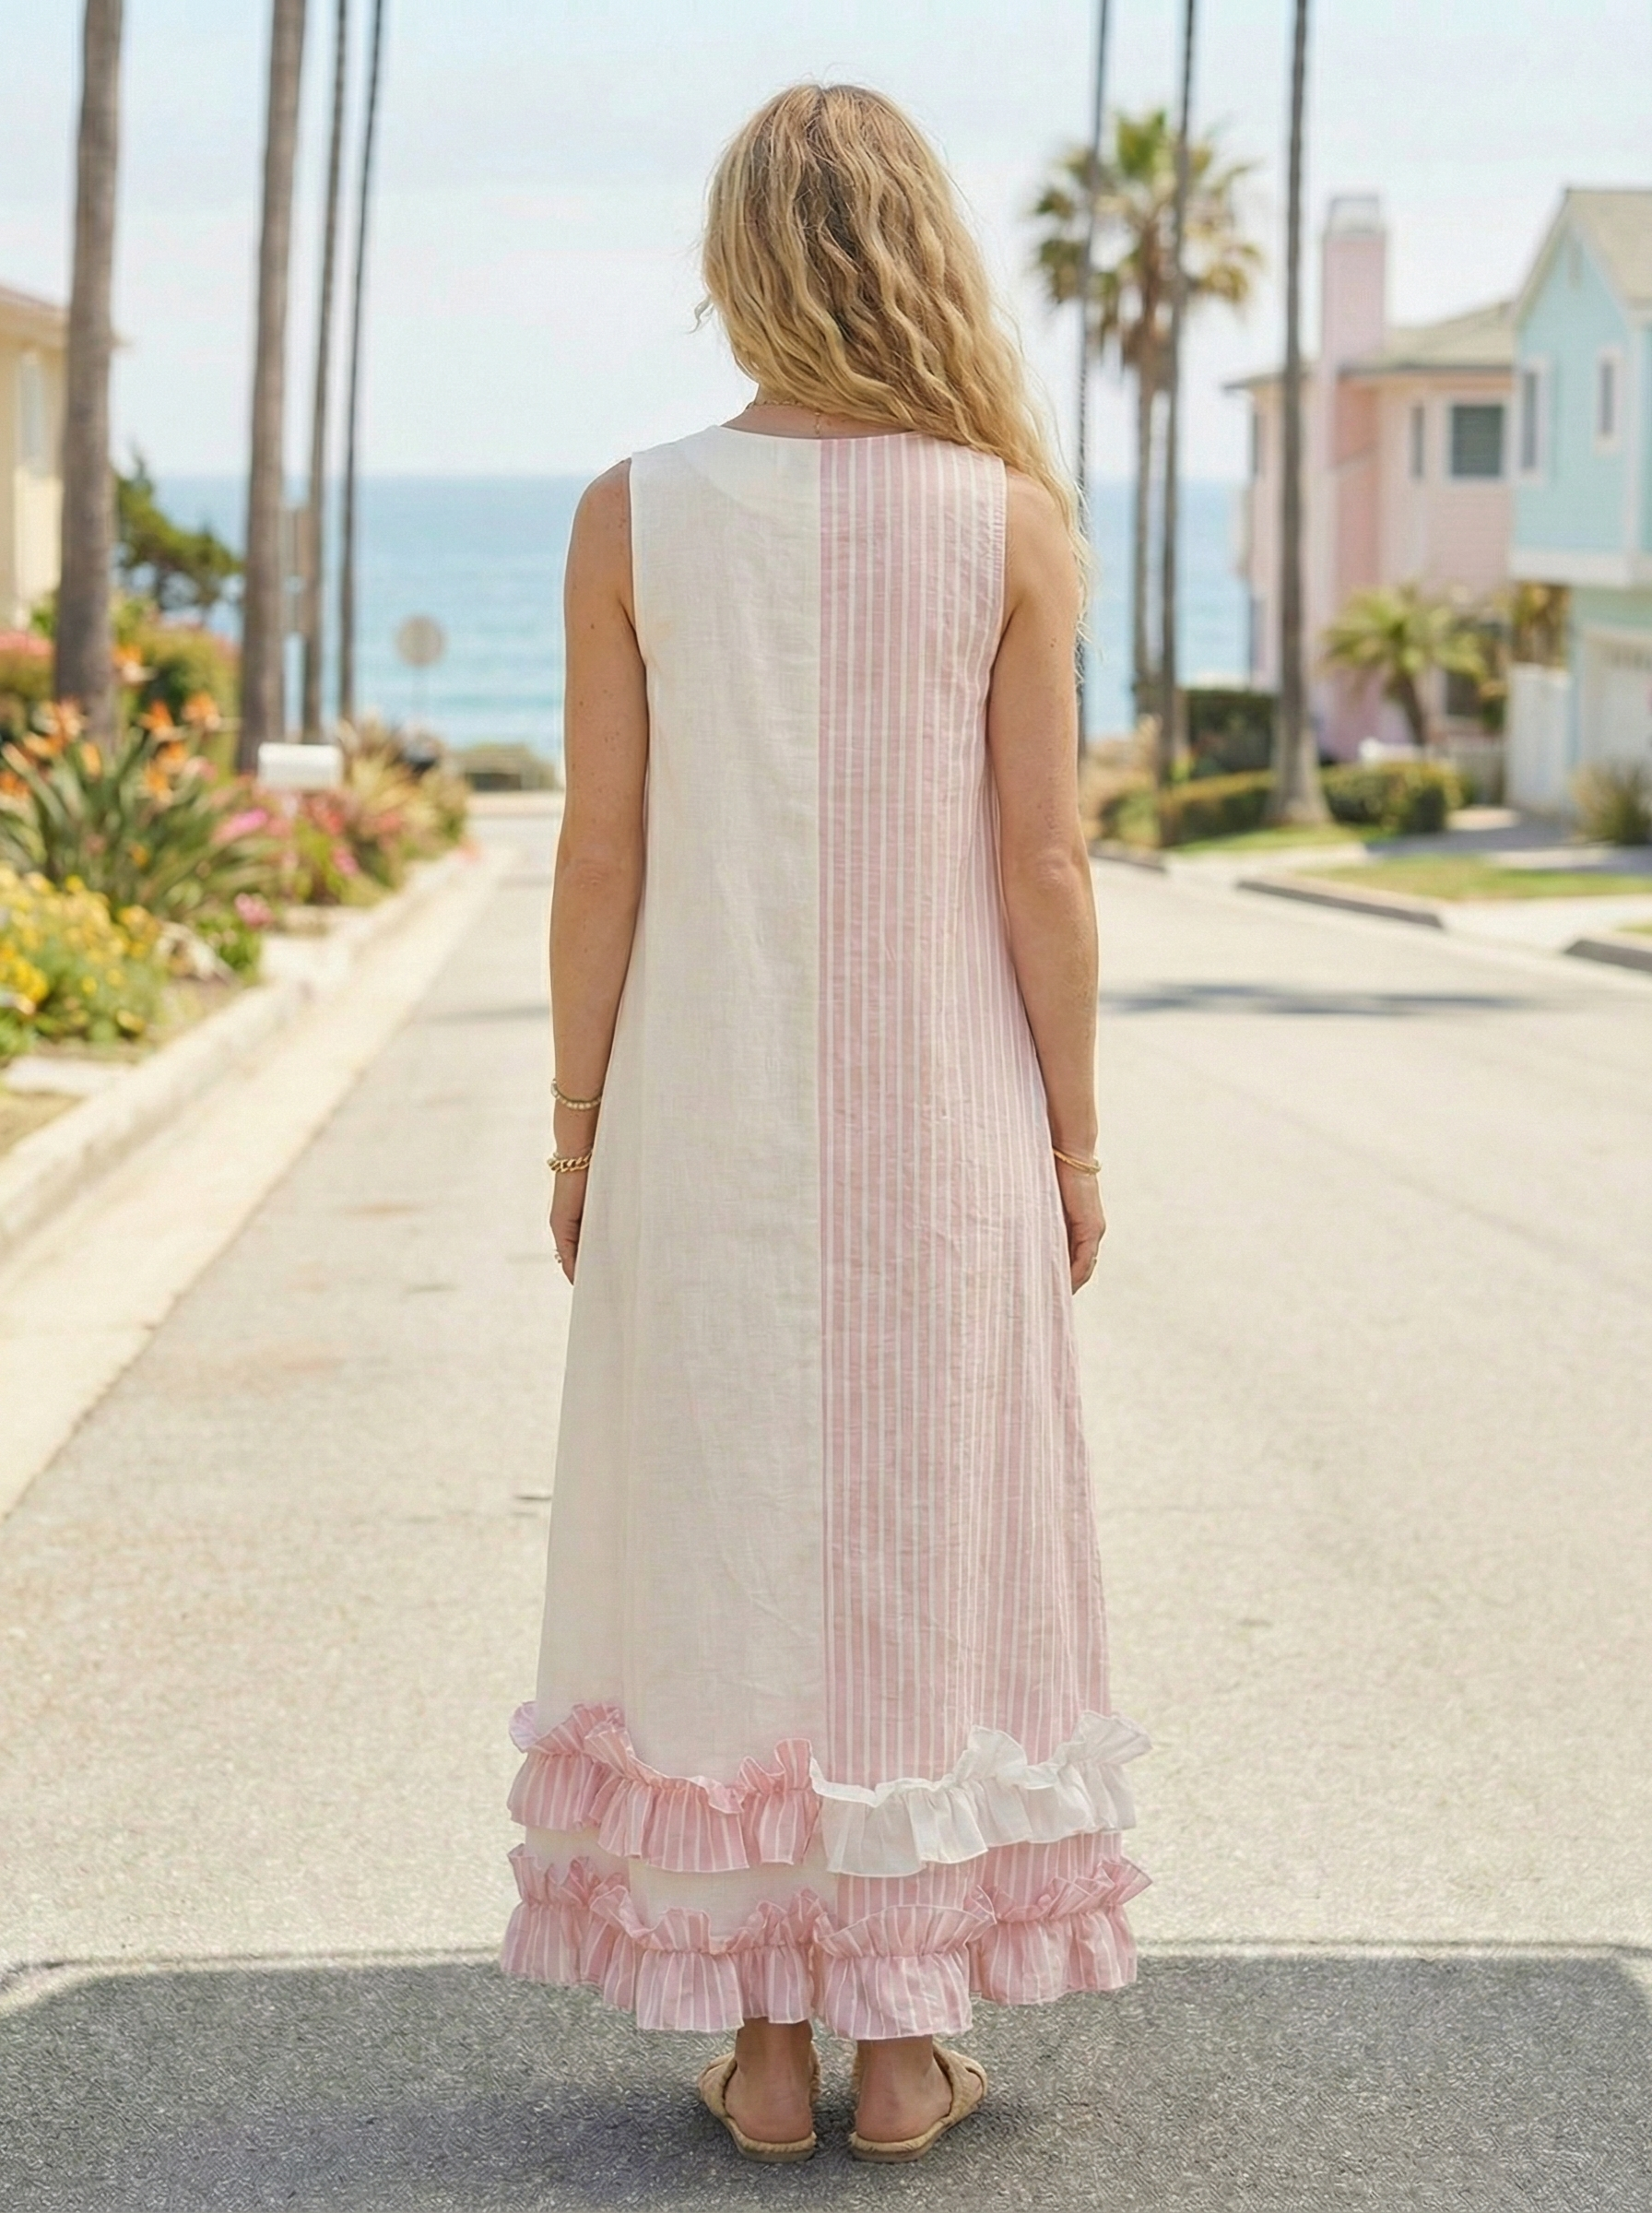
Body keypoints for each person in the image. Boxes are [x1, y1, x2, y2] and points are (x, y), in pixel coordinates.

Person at [502, 81, 1148, 2165]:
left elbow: (601, 855)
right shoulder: (1007, 519)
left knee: (726, 1538)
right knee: (916, 1550)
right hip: (943, 1131)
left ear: (738, 263)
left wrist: (578, 1131)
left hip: (699, 1123)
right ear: (923, 252)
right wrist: (1071, 1144)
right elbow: (1042, 866)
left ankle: (766, 2048)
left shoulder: (632, 512)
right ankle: (905, 2049)